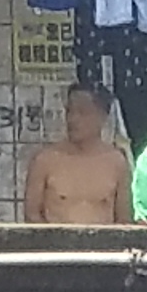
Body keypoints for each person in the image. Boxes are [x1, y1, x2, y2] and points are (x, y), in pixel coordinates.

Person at [13, 92, 126, 225]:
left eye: (82, 112)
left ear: (102, 117)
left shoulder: (117, 162)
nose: (73, 119)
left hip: (103, 237)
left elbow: (124, 220)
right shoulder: (45, 160)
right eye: (69, 111)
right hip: (54, 237)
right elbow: (32, 214)